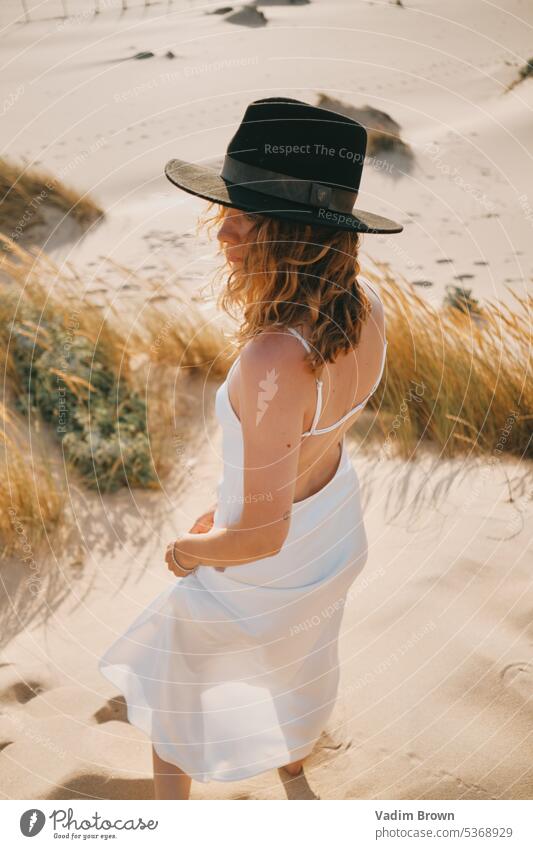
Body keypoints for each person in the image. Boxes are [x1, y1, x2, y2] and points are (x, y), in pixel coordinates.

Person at [99, 97, 403, 800]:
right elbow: (298, 447)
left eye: (247, 215)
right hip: (332, 532)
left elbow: (263, 534)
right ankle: (293, 769)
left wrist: (188, 550)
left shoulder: (275, 357)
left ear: (293, 235)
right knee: (297, 656)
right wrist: (223, 508)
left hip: (271, 562)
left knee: (172, 706)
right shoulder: (364, 305)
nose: (223, 232)